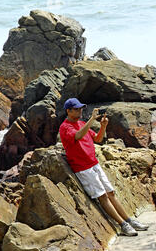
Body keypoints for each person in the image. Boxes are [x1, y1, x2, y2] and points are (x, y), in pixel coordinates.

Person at [59, 97, 149, 236]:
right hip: (83, 168)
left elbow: (98, 139)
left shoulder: (81, 123)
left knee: (110, 193)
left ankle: (130, 220)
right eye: (76, 109)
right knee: (102, 196)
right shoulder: (65, 127)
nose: (80, 111)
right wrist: (91, 120)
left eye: (80, 108)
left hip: (94, 163)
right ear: (68, 111)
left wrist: (103, 126)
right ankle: (123, 225)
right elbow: (77, 136)